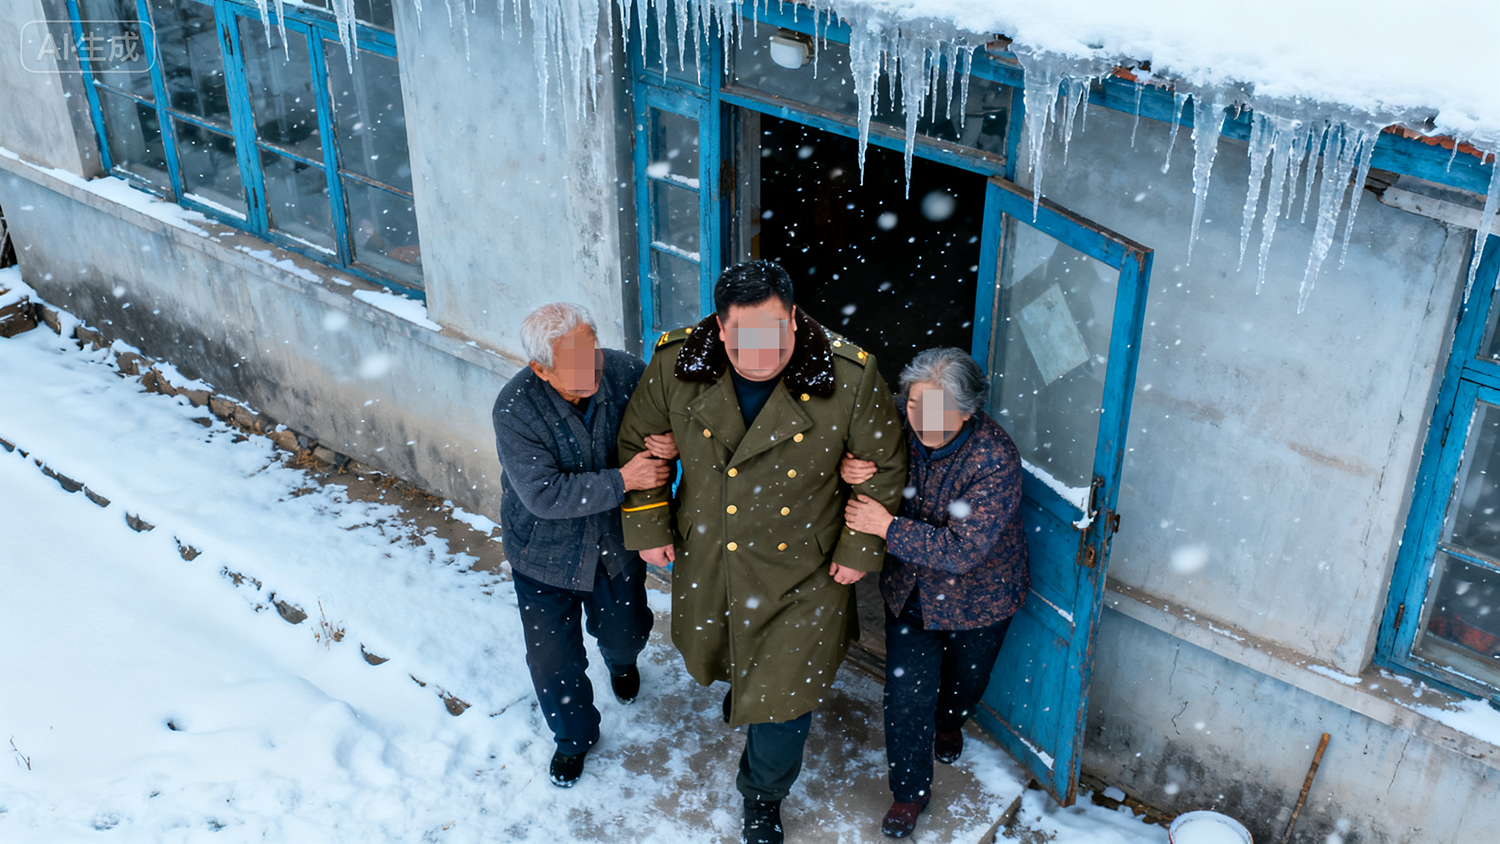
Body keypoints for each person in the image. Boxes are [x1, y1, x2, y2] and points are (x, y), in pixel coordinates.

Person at [617, 260, 907, 844]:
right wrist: (650, 525)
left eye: (775, 331)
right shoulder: (676, 366)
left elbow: (883, 468)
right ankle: (743, 692)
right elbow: (636, 443)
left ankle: (763, 796)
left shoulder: (849, 377)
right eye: (744, 335)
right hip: (713, 556)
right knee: (722, 650)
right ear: (720, 329)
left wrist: (859, 546)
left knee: (783, 700)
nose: (761, 349)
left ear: (795, 319)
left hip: (805, 568)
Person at [842, 347, 1029, 838]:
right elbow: (857, 446)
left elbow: (963, 549)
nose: (922, 418)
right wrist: (850, 466)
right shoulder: (897, 426)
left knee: (965, 686)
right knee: (905, 697)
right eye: (914, 404)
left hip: (979, 599)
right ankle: (909, 792)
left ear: (967, 412)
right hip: (910, 593)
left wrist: (886, 527)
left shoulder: (994, 458)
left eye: (938, 410)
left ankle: (950, 723)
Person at [491, 303, 675, 787]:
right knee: (554, 661)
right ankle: (574, 739)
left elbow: (664, 419)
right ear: (540, 369)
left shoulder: (623, 371)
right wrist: (624, 478)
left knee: (626, 631)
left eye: (590, 353)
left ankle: (622, 661)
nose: (589, 369)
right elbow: (544, 495)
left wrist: (670, 442)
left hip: (614, 544)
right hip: (542, 553)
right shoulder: (515, 411)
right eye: (572, 364)